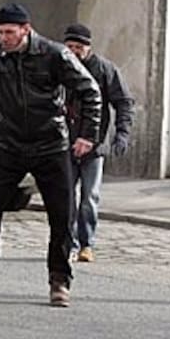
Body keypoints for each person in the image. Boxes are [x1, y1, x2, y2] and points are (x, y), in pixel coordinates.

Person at [0, 3, 101, 307]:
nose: (4, 38)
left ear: (26, 29)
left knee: (62, 218)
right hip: (10, 146)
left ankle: (59, 280)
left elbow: (90, 90)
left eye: (10, 32)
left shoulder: (54, 54)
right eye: (0, 32)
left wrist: (88, 136)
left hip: (51, 145)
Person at [63, 23, 134, 263]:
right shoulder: (61, 67)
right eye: (70, 46)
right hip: (65, 144)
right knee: (66, 197)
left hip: (95, 145)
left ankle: (87, 244)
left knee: (89, 198)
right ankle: (68, 243)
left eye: (78, 47)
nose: (74, 51)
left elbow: (123, 102)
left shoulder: (104, 69)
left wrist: (122, 133)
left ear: (88, 47)